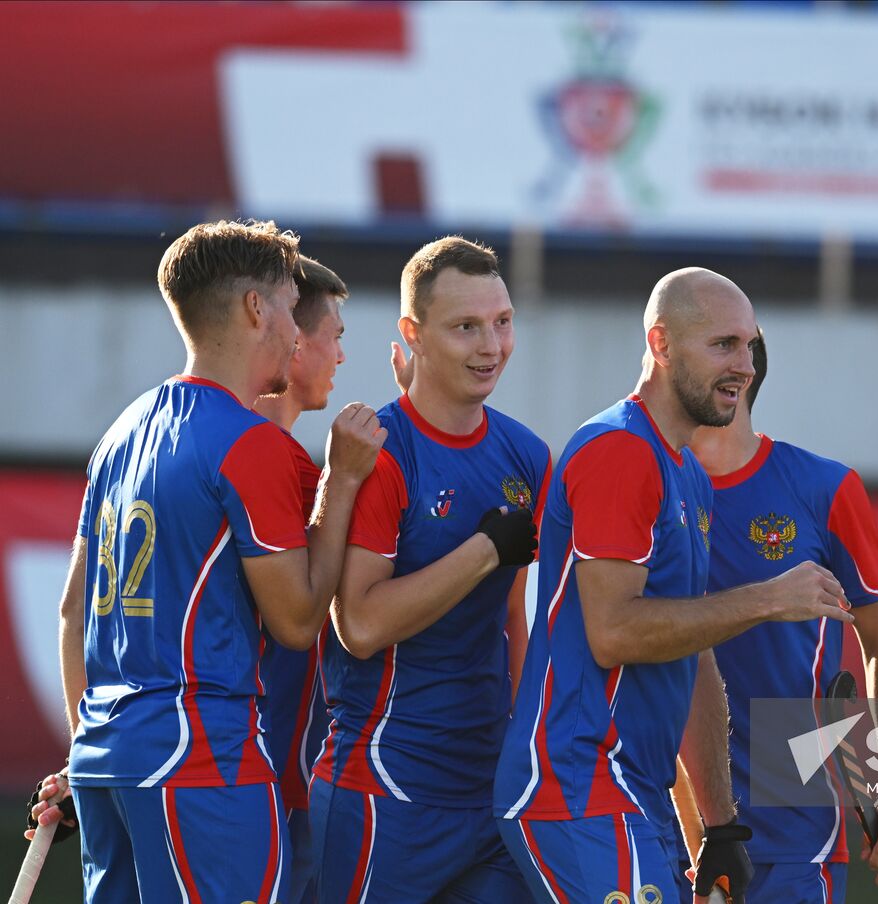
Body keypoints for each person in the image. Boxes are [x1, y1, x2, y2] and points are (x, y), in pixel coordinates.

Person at [27, 220, 384, 902]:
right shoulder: (248, 443)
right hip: (200, 757)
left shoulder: (119, 432)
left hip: (105, 756)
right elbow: (299, 619)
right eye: (287, 308)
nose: (296, 332)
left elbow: (74, 613)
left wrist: (82, 748)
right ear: (257, 309)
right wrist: (340, 482)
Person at [493, 267, 854, 904]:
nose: (744, 366)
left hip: (639, 793)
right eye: (723, 345)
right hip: (576, 785)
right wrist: (769, 598)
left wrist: (720, 826)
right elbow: (613, 632)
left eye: (749, 345)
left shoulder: (685, 469)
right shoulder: (619, 451)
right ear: (660, 344)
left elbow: (694, 653)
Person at [311, 236, 545, 902]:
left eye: (502, 323)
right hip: (384, 789)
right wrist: (481, 552)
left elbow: (513, 617)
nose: (490, 346)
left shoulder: (527, 455)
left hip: (490, 794)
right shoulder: (381, 455)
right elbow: (358, 623)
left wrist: (529, 750)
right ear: (412, 333)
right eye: (465, 327)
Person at [688, 330, 878, 902]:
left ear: (742, 374)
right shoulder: (645, 485)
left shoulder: (824, 487)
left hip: (793, 826)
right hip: (668, 818)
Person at [250, 253, 350, 904]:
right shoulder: (272, 467)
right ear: (291, 337)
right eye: (336, 336)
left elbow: (73, 611)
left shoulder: (153, 441)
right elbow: (305, 618)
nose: (342, 357)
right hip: (259, 791)